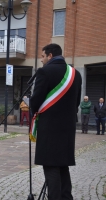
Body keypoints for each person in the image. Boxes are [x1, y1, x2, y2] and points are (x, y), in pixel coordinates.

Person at [30, 43, 82, 200]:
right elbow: (76, 103)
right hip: (67, 128)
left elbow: (36, 102)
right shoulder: (76, 74)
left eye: (43, 56)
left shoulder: (44, 72)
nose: (41, 60)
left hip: (49, 128)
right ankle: (66, 197)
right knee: (63, 165)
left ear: (50, 55)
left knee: (51, 165)